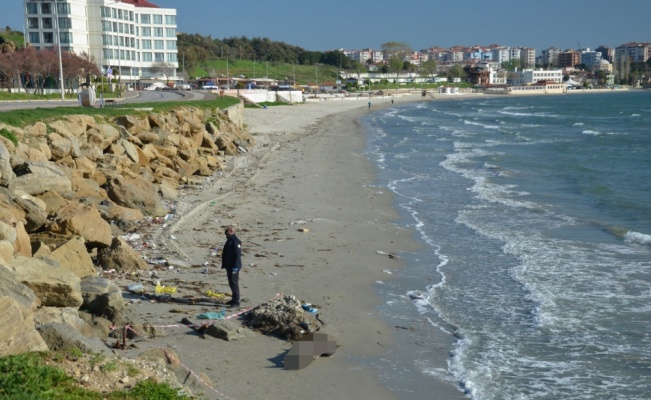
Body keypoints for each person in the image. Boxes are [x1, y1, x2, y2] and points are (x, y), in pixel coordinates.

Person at [221, 225, 242, 307]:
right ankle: (234, 299)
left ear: (232, 231)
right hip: (229, 266)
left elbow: (238, 255)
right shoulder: (229, 240)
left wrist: (236, 267)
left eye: (228, 230)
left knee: (234, 283)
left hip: (233, 266)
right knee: (231, 283)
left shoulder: (235, 241)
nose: (226, 231)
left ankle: (236, 301)